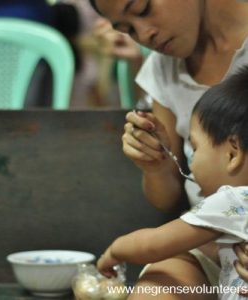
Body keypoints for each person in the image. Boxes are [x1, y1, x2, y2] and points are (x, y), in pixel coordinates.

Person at [88, 0, 248, 299]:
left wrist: (114, 251)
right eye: (128, 29)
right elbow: (168, 200)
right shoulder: (162, 67)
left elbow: (148, 244)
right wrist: (156, 166)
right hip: (208, 250)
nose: (144, 34)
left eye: (143, 9)